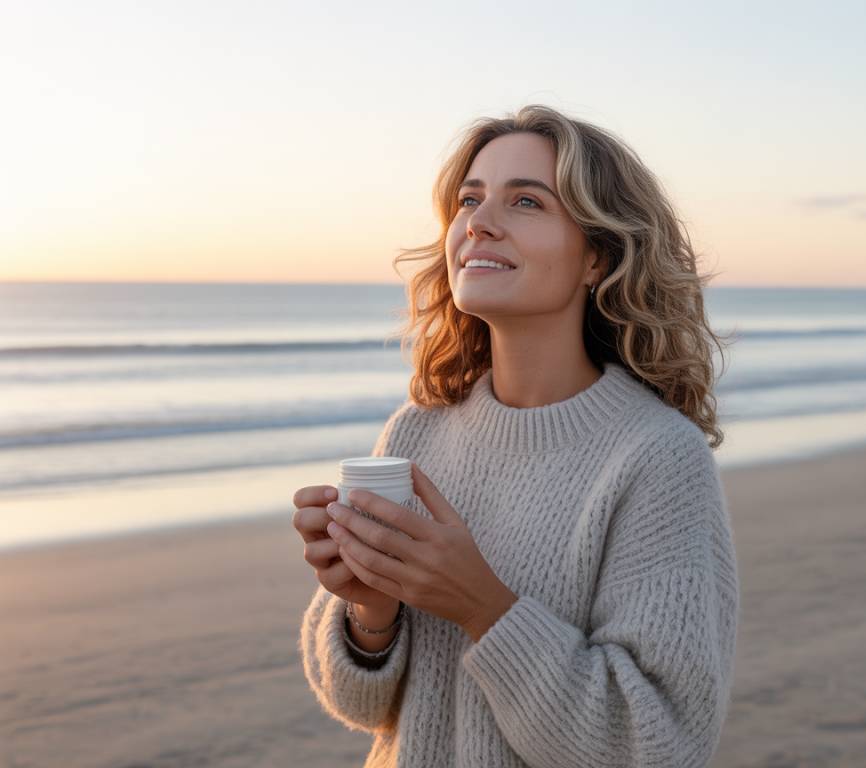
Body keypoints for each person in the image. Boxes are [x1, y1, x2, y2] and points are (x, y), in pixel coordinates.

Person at [292, 104, 739, 767]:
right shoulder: (416, 432)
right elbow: (364, 707)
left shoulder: (656, 458)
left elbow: (657, 744)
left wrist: (484, 607)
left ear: (597, 255)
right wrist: (370, 611)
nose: (479, 223)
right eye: (470, 200)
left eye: (525, 201)